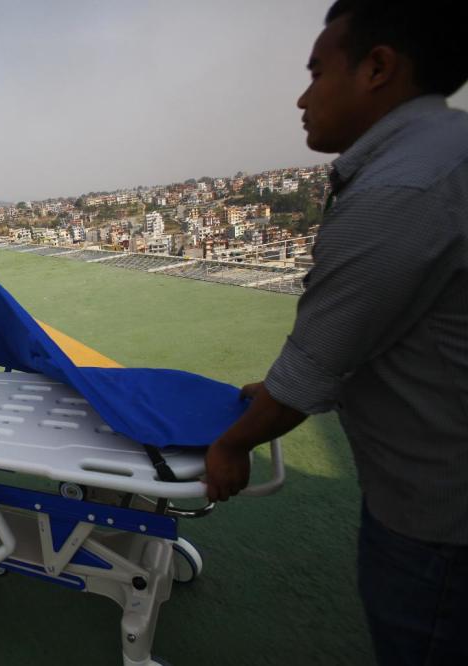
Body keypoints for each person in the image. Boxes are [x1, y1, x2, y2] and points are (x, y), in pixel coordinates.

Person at [203, 1, 467, 663]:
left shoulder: (398, 191)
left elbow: (314, 366)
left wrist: (233, 446)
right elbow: (394, 329)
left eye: (317, 71)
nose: (302, 95)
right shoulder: (447, 152)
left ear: (377, 68)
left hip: (439, 524)